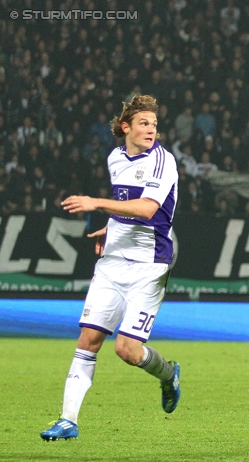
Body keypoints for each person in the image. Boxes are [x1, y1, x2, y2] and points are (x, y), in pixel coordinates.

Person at [41, 95, 181, 441]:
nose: (151, 130)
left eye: (154, 124)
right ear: (126, 128)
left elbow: (149, 209)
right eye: (144, 123)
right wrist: (112, 225)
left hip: (149, 266)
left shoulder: (163, 161)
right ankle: (68, 420)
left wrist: (96, 204)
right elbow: (125, 204)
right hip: (112, 262)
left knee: (127, 351)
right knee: (88, 339)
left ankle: (168, 375)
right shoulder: (116, 158)